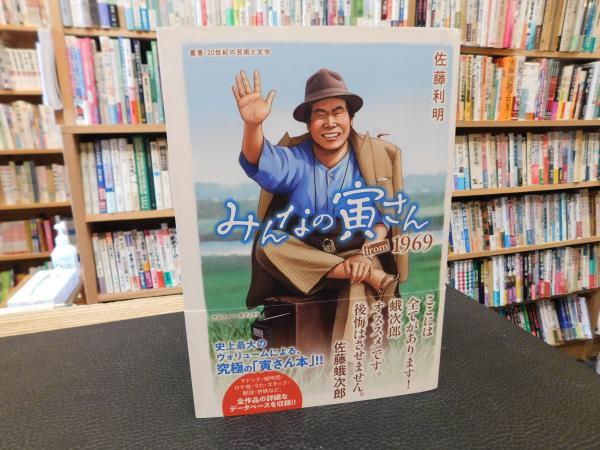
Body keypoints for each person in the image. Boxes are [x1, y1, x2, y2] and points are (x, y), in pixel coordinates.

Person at [233, 67, 408, 351]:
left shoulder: (371, 160)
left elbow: (381, 222)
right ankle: (360, 274)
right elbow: (258, 159)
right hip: (309, 255)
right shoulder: (296, 159)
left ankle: (345, 362)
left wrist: (365, 256)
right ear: (309, 123)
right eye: (320, 114)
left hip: (359, 248)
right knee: (269, 245)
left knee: (357, 284)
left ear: (351, 118)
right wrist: (252, 124)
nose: (330, 122)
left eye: (338, 112)